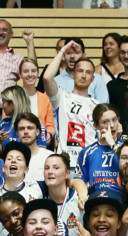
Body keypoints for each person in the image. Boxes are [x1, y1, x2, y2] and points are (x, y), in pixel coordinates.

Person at [43, 43, 98, 179]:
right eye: (80, 71)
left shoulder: (98, 106)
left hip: (89, 165)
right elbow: (47, 77)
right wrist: (63, 51)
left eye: (88, 72)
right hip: (66, 165)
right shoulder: (62, 97)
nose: (84, 75)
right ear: (73, 74)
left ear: (93, 78)